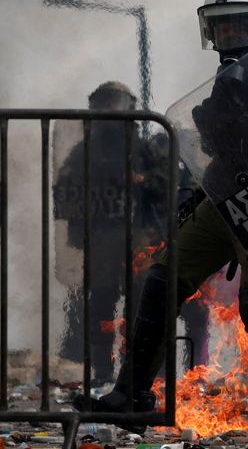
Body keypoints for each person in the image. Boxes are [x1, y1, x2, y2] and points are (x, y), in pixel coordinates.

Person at [76, 0, 248, 449]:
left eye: (240, 25)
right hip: (227, 196)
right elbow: (221, 148)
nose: (230, 35)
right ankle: (131, 396)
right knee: (162, 280)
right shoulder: (229, 76)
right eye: (221, 27)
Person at [54, 81, 173, 384]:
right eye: (103, 104)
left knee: (141, 306)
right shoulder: (84, 151)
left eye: (114, 104)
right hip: (103, 237)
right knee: (102, 305)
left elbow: (166, 184)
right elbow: (66, 191)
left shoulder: (142, 149)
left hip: (139, 236)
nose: (109, 111)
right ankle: (103, 370)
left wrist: (143, 179)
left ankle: (142, 372)